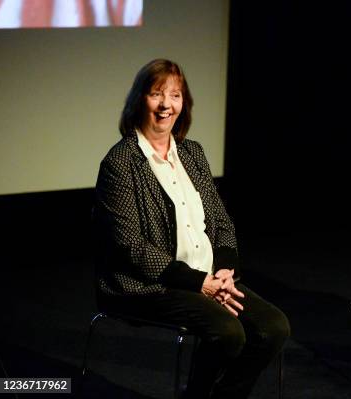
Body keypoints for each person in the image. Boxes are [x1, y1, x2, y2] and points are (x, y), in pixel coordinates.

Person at [94, 59, 289, 399]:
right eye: (157, 94)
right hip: (151, 286)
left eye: (175, 95)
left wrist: (226, 271)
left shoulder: (193, 153)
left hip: (209, 276)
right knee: (228, 333)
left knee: (274, 328)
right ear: (140, 99)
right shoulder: (120, 163)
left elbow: (222, 222)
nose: (166, 105)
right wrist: (200, 284)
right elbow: (131, 246)